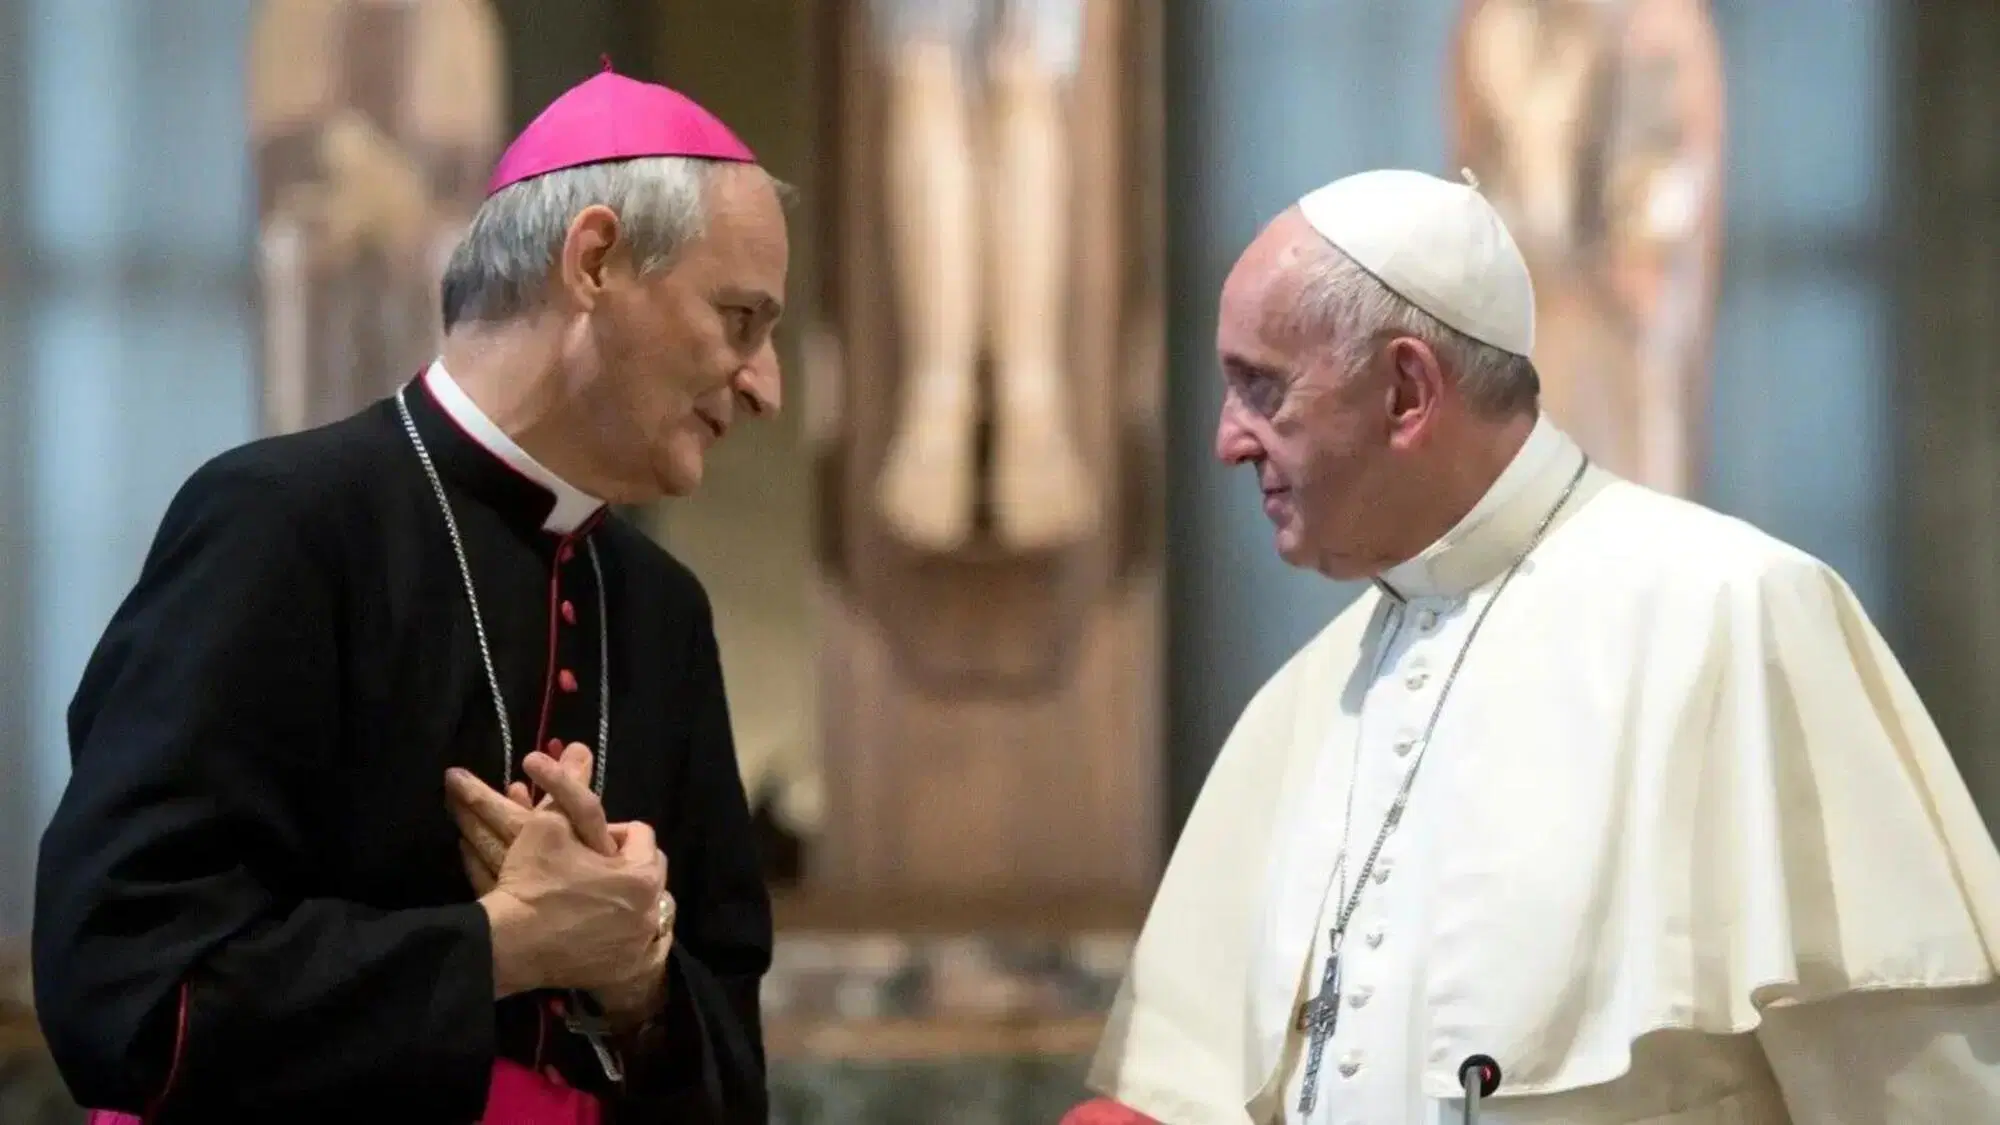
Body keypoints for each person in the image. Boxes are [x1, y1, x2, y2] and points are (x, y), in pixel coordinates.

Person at [1071, 169, 2000, 1124]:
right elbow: (1173, 1095)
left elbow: (1926, 1096)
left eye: (1262, 388)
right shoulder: (1305, 698)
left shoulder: (1734, 615)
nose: (1230, 440)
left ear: (1405, 392)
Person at [32, 66, 788, 1123]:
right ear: (596, 260)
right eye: (740, 318)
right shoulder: (281, 524)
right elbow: (124, 990)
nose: (766, 385)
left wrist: (635, 976)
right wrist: (502, 947)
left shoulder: (661, 610)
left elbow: (731, 1068)